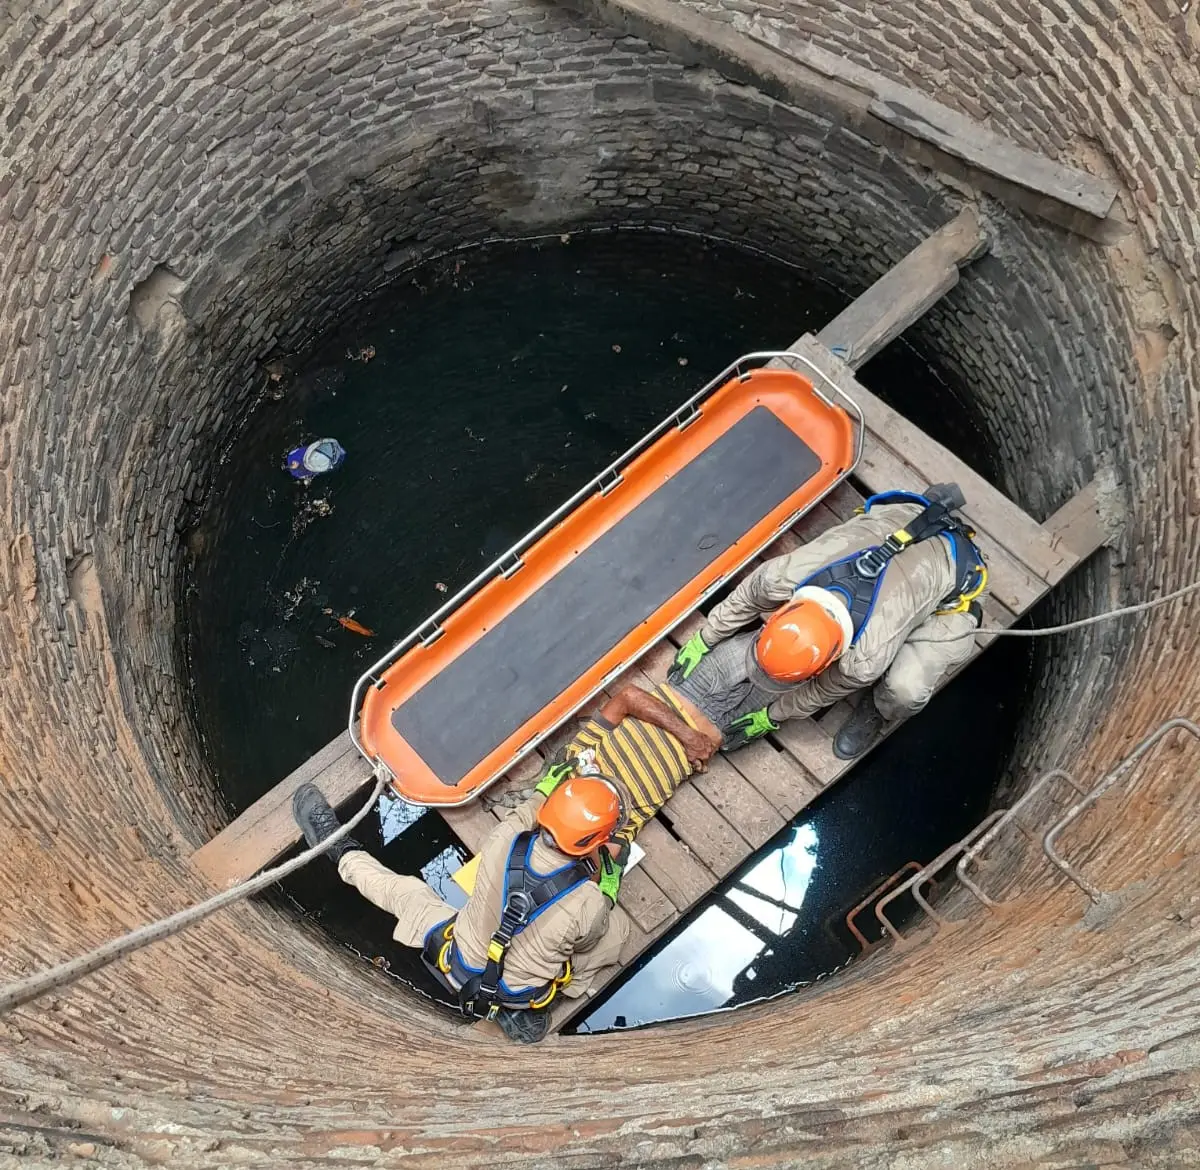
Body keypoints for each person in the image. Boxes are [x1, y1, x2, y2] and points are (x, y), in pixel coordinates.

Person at [292, 684, 720, 1044]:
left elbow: (537, 803)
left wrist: (557, 784)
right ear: (598, 842)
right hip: (518, 991)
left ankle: (339, 850)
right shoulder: (589, 902)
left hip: (458, 959)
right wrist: (609, 880)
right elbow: (591, 929)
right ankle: (528, 1014)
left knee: (403, 894)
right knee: (615, 934)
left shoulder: (504, 840)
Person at [667, 483, 988, 760]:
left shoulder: (863, 659)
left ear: (830, 659)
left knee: (906, 688)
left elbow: (822, 689)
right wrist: (705, 638)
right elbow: (747, 598)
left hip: (955, 579)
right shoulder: (781, 578)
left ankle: (881, 709)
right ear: (781, 613)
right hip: (905, 516)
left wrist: (773, 714)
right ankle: (930, 509)